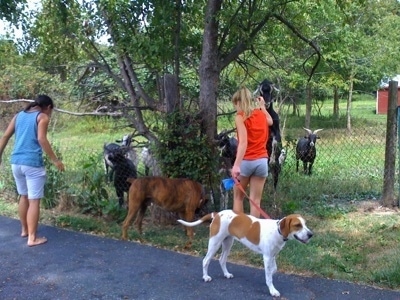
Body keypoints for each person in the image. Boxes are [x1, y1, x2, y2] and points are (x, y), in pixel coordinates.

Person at [0, 95, 65, 246]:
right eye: (51, 110)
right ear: (48, 107)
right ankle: (32, 238)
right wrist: (56, 160)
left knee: (23, 196)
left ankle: (25, 230)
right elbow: (42, 139)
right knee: (34, 201)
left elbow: (5, 136)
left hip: (16, 162)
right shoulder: (42, 117)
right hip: (32, 163)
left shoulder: (18, 116)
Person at [231, 86, 273, 218]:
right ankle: (254, 236)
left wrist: (236, 165)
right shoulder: (260, 114)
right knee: (255, 201)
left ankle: (239, 231)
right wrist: (263, 107)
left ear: (238, 102)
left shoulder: (240, 117)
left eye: (235, 105)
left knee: (238, 198)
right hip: (262, 162)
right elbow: (270, 121)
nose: (235, 108)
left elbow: (243, 143)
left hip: (246, 162)